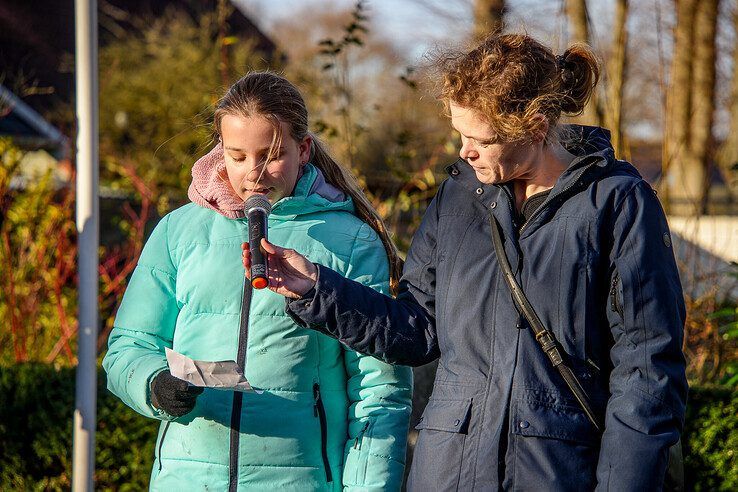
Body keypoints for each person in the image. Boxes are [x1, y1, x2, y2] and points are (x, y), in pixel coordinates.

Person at [243, 34, 688, 490]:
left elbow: (647, 371)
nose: (463, 151)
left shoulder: (618, 204)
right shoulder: (457, 197)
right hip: (448, 472)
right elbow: (417, 331)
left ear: (533, 127)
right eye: (459, 134)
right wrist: (316, 287)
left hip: (559, 473)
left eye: (480, 139)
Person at [103, 71, 412, 491]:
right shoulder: (178, 231)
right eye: (237, 155)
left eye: (271, 155)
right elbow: (128, 346)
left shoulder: (352, 241)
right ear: (220, 151)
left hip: (303, 479)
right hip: (187, 477)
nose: (254, 173)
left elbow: (381, 391)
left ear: (303, 150)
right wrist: (154, 385)